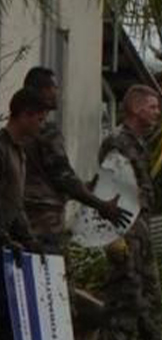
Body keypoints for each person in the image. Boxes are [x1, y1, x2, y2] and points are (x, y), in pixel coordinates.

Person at [97, 85, 162, 340]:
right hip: (123, 228)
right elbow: (106, 189)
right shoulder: (117, 143)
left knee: (150, 295)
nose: (157, 112)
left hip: (141, 229)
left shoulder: (139, 144)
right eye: (152, 106)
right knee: (125, 295)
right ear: (134, 108)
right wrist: (111, 236)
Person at [22, 68, 130, 252]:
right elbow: (64, 179)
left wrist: (87, 186)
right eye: (54, 87)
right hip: (42, 226)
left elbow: (49, 180)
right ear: (41, 90)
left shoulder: (17, 131)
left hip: (23, 225)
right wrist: (102, 205)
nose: (58, 92)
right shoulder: (45, 133)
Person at [1, 89, 48, 340]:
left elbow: (14, 204)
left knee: (8, 318)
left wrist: (30, 239)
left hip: (8, 242)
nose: (42, 125)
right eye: (40, 119)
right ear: (25, 115)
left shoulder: (19, 151)